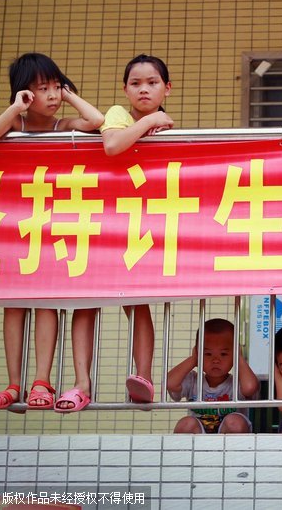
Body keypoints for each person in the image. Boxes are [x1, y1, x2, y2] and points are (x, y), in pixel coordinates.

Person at [0, 52, 104, 412]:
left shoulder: (60, 126)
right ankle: (13, 384)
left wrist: (69, 95)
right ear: (25, 94)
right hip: (18, 227)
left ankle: (41, 381)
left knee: (46, 301)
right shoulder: (14, 128)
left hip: (55, 228)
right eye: (42, 89)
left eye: (55, 87)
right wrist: (15, 109)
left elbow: (96, 121)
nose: (51, 95)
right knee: (14, 305)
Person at [97, 54, 175, 404]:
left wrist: (158, 124)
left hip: (146, 220)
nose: (144, 89)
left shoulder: (168, 126)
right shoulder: (118, 114)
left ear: (167, 89)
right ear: (125, 90)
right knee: (89, 298)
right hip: (107, 216)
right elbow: (112, 145)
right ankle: (83, 382)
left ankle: (142, 376)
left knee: (138, 300)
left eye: (152, 82)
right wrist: (150, 123)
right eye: (136, 83)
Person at [167, 319, 259, 433]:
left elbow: (250, 388)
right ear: (198, 353)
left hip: (229, 434)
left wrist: (239, 358)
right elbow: (170, 383)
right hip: (199, 433)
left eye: (223, 354)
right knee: (185, 424)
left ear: (235, 353)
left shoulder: (237, 383)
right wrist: (193, 359)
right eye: (208, 354)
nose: (216, 360)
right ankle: (187, 451)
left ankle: (230, 451)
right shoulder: (193, 381)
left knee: (235, 423)